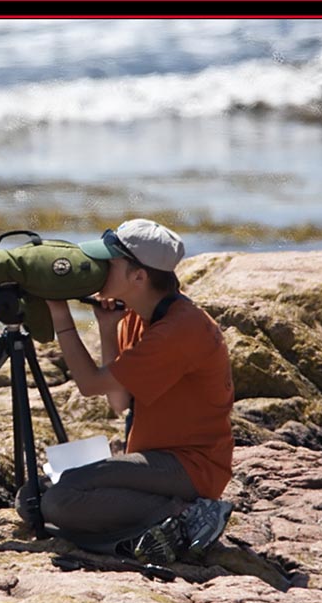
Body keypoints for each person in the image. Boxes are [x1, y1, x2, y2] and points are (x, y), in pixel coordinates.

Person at [16, 219, 235, 564]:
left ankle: (186, 517)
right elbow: (119, 403)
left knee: (59, 502)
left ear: (139, 276)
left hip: (189, 468)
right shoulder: (137, 316)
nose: (99, 269)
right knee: (32, 499)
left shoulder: (180, 331)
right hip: (154, 461)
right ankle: (150, 531)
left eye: (109, 263)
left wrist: (59, 312)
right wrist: (107, 329)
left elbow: (89, 384)